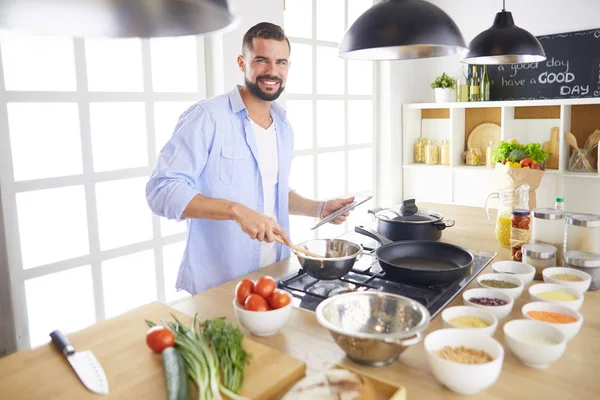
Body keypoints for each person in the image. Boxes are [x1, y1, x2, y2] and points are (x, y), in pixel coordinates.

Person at [146, 22, 354, 295]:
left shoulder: (283, 126)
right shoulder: (207, 117)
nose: (272, 71)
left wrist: (319, 207)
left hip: (274, 278)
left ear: (288, 67)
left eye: (280, 62)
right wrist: (236, 211)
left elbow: (271, 191)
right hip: (219, 284)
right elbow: (162, 191)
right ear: (242, 62)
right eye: (261, 60)